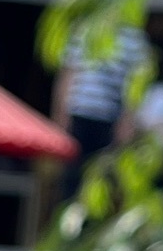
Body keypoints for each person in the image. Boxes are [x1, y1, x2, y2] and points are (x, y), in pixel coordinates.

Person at [51, 24, 149, 199]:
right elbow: (68, 73)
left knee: (101, 174)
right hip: (78, 112)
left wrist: (128, 119)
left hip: (109, 116)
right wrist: (61, 115)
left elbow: (137, 82)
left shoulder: (133, 38)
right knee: (71, 175)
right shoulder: (84, 30)